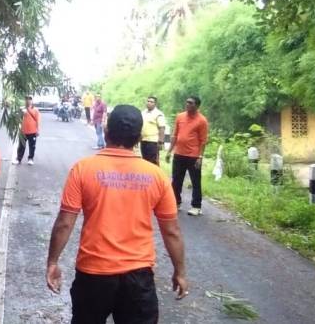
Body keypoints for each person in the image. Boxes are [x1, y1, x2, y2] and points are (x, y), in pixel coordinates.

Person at [46, 105, 188, 324]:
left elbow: (65, 223)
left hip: (93, 273)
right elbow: (172, 232)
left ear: (106, 130)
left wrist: (52, 262)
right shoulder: (156, 176)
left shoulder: (83, 169)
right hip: (138, 276)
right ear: (139, 137)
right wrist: (179, 271)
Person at [166, 96, 209, 216]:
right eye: (187, 102)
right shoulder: (180, 117)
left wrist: (200, 157)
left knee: (195, 181)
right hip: (179, 153)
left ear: (197, 106)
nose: (187, 104)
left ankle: (196, 206)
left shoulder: (202, 120)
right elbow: (175, 135)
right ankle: (176, 202)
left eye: (190, 103)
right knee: (176, 181)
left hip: (193, 156)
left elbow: (203, 140)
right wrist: (170, 151)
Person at [140, 96, 166, 166]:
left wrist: (161, 142)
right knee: (144, 160)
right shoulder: (143, 113)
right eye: (148, 101)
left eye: (151, 102)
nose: (149, 103)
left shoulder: (158, 114)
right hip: (143, 140)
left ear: (155, 104)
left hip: (153, 141)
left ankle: (155, 176)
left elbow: (162, 128)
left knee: (153, 161)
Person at [15, 96, 40, 165]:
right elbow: (17, 119)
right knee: (21, 146)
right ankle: (18, 159)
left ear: (32, 101)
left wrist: (37, 130)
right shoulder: (22, 109)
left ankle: (30, 159)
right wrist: (20, 114)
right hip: (23, 131)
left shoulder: (35, 110)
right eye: (27, 99)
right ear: (25, 100)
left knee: (32, 146)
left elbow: (38, 120)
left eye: (30, 99)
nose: (28, 101)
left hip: (32, 131)